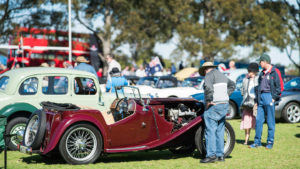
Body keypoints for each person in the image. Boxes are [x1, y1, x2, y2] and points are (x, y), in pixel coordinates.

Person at [199, 62, 235, 163]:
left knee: (210, 130)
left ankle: (211, 155)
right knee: (220, 129)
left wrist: (209, 101)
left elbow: (208, 88)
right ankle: (220, 155)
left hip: (214, 105)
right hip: (224, 104)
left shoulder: (209, 75)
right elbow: (233, 85)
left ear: (206, 69)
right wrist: (226, 95)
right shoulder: (222, 75)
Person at [250, 54, 284, 149]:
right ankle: (257, 142)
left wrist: (274, 98)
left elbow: (280, 87)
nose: (259, 64)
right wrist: (257, 101)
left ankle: (270, 142)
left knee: (270, 121)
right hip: (261, 98)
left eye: (260, 62)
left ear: (264, 61)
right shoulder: (262, 73)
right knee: (259, 121)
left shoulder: (275, 72)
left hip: (270, 97)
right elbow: (259, 88)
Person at [240, 63, 259, 145]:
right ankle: (246, 140)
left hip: (255, 104)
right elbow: (242, 91)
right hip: (247, 103)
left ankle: (256, 140)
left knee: (255, 122)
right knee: (247, 122)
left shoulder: (258, 80)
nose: (249, 73)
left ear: (255, 72)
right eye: (249, 71)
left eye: (251, 71)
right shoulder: (245, 80)